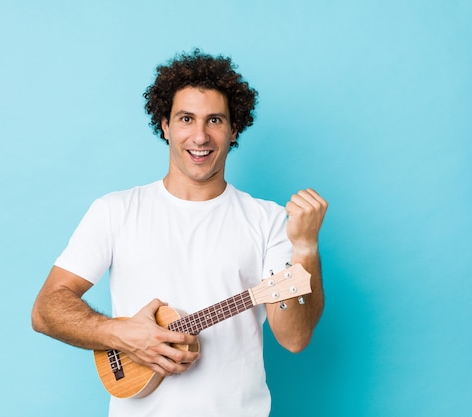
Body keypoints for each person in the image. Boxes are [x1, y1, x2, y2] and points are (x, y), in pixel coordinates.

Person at [31, 49, 327, 417]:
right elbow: (46, 310)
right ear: (166, 126)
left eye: (215, 120)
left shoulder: (267, 219)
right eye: (186, 118)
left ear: (234, 129)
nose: (200, 136)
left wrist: (305, 248)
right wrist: (119, 335)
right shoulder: (116, 210)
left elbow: (295, 338)